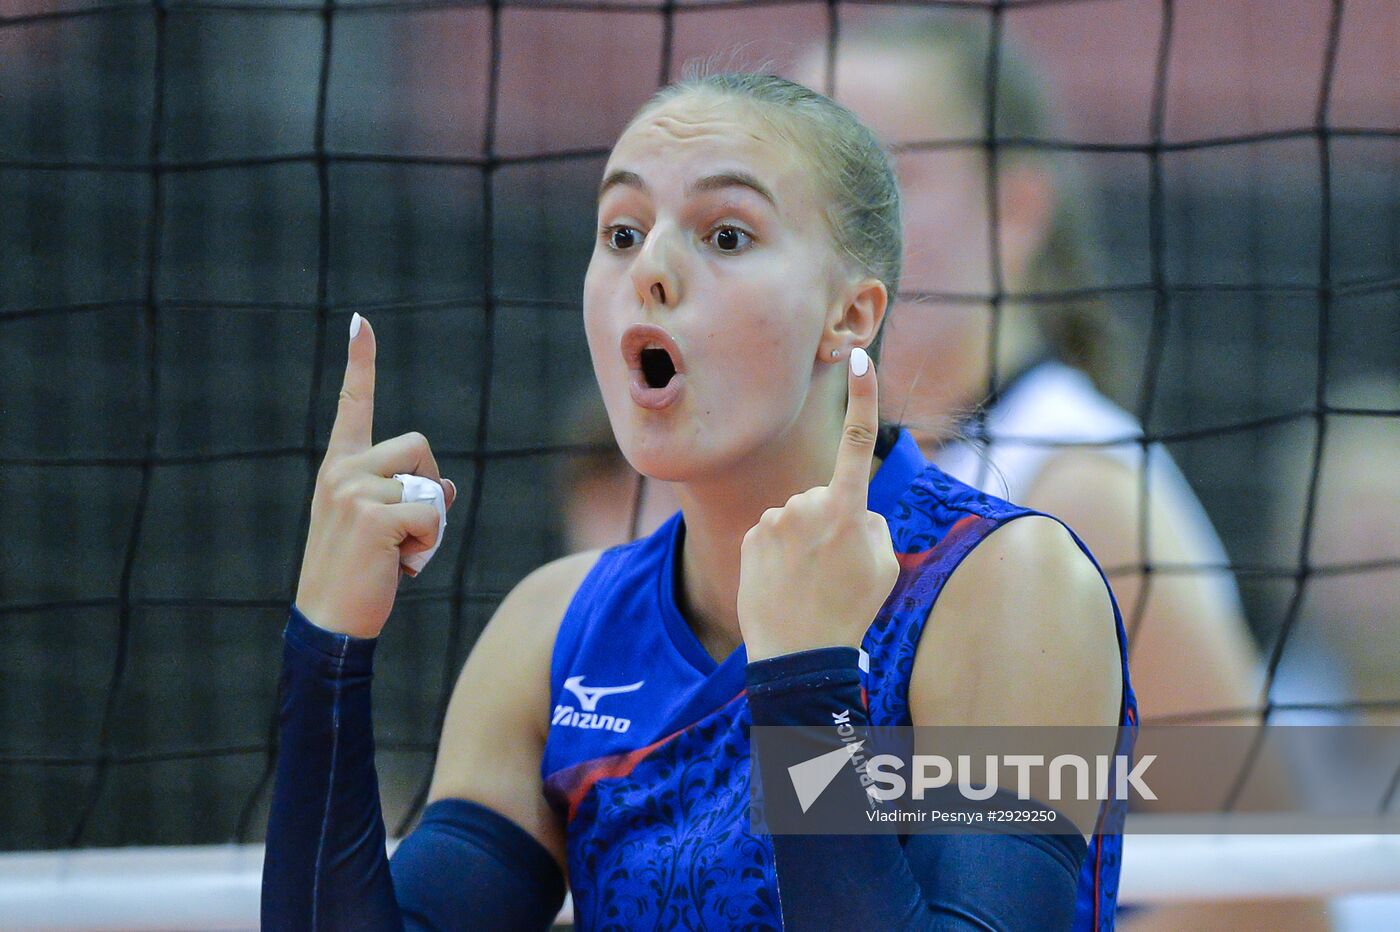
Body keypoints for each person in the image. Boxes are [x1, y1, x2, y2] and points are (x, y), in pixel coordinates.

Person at [262, 69, 1134, 930]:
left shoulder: (1005, 585)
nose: (652, 271)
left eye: (725, 235)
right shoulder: (555, 631)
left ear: (850, 315)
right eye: (622, 231)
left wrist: (806, 683)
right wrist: (326, 643)